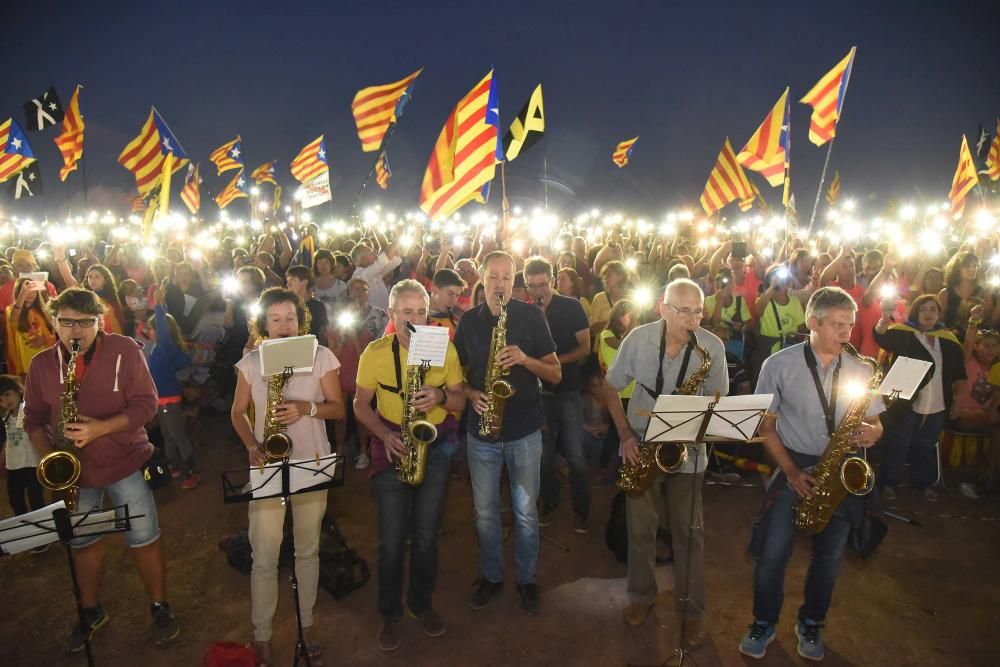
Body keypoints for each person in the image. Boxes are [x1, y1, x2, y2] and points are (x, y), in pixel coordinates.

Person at [22, 287, 178, 652]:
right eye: (66, 322)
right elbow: (33, 419)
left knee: (144, 537)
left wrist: (100, 429)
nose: (75, 330)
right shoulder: (42, 364)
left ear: (99, 321)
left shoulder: (124, 350)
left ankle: (159, 607)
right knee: (82, 543)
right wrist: (53, 460)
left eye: (84, 322)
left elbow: (146, 406)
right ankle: (90, 610)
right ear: (54, 323)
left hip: (124, 461)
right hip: (75, 473)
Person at [739, 286, 884, 661]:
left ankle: (811, 625)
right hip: (795, 464)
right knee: (772, 555)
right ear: (813, 323)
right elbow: (765, 427)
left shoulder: (862, 368)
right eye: (837, 325)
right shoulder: (779, 364)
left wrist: (874, 432)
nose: (845, 335)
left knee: (829, 559)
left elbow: (876, 423)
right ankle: (764, 623)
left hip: (841, 469)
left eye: (849, 326)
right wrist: (789, 470)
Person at [604, 278, 728, 649]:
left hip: (688, 451)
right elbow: (610, 388)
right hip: (642, 445)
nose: (693, 319)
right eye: (684, 311)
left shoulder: (711, 347)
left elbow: (719, 403)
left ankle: (692, 614)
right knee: (640, 530)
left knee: (690, 534)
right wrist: (625, 434)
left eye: (698, 311)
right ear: (663, 308)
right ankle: (641, 598)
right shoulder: (640, 339)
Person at [230, 287, 345, 666]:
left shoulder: (321, 356)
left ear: (301, 320)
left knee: (307, 548)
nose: (284, 325)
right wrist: (251, 444)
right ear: (263, 323)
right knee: (263, 554)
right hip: (266, 465)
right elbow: (237, 412)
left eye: (291, 318)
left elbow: (337, 409)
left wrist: (305, 408)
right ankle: (261, 635)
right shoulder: (250, 362)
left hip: (311, 459)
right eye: (275, 319)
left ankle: (305, 624)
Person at [353, 280, 467, 652]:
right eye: (406, 312)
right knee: (389, 542)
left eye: (420, 311)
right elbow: (359, 404)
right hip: (392, 444)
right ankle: (389, 613)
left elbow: (460, 401)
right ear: (391, 315)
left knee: (426, 535)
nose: (415, 319)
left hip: (434, 447)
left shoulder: (442, 346)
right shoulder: (374, 352)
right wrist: (383, 438)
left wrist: (440, 395)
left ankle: (420, 603)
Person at [454, 251, 561, 616]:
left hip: (524, 430)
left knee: (526, 512)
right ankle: (492, 576)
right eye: (493, 276)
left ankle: (527, 580)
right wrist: (470, 394)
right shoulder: (468, 322)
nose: (500, 283)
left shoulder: (531, 316)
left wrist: (525, 359)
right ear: (481, 279)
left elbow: (555, 373)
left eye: (506, 277)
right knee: (484, 513)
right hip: (480, 431)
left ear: (514, 282)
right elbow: (456, 377)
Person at [874, 294, 965, 502]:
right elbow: (880, 338)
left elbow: (959, 374)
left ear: (939, 314)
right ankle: (889, 482)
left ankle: (925, 483)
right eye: (923, 309)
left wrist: (959, 400)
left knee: (926, 444)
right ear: (916, 311)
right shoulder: (903, 333)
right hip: (906, 400)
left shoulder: (948, 340)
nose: (928, 313)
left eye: (933, 309)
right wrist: (884, 317)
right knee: (900, 441)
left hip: (938, 401)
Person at [523, 257, 592, 533]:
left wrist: (552, 365)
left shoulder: (571, 307)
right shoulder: (526, 312)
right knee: (544, 455)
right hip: (540, 394)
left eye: (542, 285)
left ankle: (581, 509)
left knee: (575, 454)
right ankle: (549, 502)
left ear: (551, 281)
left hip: (568, 390)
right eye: (532, 286)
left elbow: (585, 348)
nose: (538, 292)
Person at [146, 283, 200, 489]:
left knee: (178, 436)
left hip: (169, 399)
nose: (148, 332)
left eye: (151, 329)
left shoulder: (166, 347)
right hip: (160, 399)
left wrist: (159, 305)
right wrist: (162, 306)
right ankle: (174, 466)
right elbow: (164, 323)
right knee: (167, 435)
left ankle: (193, 472)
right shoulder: (157, 347)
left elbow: (162, 325)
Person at [0, 374, 47, 553]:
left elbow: (36, 433)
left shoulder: (25, 410)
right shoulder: (6, 415)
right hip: (14, 466)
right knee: (15, 499)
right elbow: (9, 441)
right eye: (0, 399)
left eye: (7, 394)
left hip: (32, 463)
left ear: (18, 391)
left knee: (36, 499)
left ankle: (43, 535)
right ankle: (28, 534)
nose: (5, 401)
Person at [5, 277, 56, 376]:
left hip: (44, 359)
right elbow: (13, 318)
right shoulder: (11, 310)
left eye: (33, 291)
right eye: (26, 291)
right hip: (25, 361)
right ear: (19, 293)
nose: (30, 294)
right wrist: (23, 293)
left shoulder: (43, 311)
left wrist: (45, 339)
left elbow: (53, 333)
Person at [350, 240, 402, 312]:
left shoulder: (373, 270)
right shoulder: (360, 275)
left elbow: (390, 264)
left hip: (384, 312)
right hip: (373, 318)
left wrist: (396, 253)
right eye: (371, 252)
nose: (375, 252)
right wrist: (396, 241)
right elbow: (381, 262)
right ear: (364, 259)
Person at [285, 265, 331, 342]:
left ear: (304, 283)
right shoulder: (286, 306)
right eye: (287, 281)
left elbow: (322, 332)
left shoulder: (318, 307)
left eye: (292, 280)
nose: (288, 284)